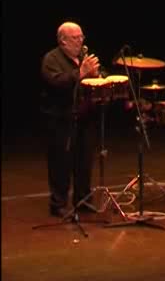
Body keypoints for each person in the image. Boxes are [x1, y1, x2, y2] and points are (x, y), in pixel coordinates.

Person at [40, 21, 101, 217]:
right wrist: (80, 73)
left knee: (84, 161)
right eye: (76, 38)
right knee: (61, 163)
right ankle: (58, 203)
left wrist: (98, 75)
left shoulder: (83, 57)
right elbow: (55, 83)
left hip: (84, 117)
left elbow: (96, 77)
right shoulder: (51, 59)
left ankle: (83, 200)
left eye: (82, 37)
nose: (81, 41)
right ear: (63, 41)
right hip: (61, 119)